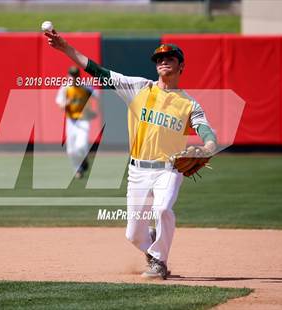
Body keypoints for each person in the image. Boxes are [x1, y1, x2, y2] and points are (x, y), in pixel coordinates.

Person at [45, 29, 217, 279]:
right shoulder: (138, 88)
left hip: (170, 168)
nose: (163, 61)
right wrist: (65, 48)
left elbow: (206, 131)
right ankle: (154, 247)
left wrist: (209, 147)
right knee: (134, 234)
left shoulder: (189, 104)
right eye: (159, 59)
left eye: (169, 58)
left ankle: (159, 262)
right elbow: (96, 70)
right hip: (137, 170)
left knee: (162, 209)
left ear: (181, 66)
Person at [55, 66, 98, 179]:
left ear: (78, 76)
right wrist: (66, 103)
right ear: (68, 76)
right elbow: (60, 105)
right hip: (71, 122)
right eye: (72, 75)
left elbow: (98, 95)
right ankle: (78, 169)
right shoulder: (65, 88)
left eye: (75, 75)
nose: (73, 78)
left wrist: (94, 110)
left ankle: (82, 162)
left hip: (83, 120)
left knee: (81, 146)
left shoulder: (85, 87)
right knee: (71, 150)